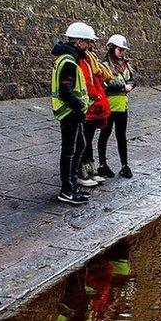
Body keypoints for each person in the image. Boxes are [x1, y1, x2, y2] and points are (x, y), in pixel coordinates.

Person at [50, 22, 95, 205]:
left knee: (79, 146)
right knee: (69, 151)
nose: (90, 46)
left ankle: (71, 185)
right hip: (69, 113)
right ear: (78, 42)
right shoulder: (69, 62)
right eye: (88, 42)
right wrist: (79, 107)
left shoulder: (68, 58)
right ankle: (66, 190)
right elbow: (65, 91)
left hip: (71, 112)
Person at [99, 34, 136, 179]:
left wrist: (130, 86)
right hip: (108, 107)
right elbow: (104, 85)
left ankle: (124, 165)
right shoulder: (104, 65)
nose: (122, 52)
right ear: (112, 48)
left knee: (121, 136)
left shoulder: (125, 65)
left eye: (123, 50)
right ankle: (102, 165)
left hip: (122, 107)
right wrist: (122, 87)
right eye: (120, 49)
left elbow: (133, 80)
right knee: (105, 135)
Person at [78, 47, 112, 187]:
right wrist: (96, 97)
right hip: (90, 106)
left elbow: (102, 78)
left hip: (95, 106)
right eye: (89, 41)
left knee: (89, 139)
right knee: (83, 140)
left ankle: (90, 166)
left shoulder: (91, 60)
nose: (91, 45)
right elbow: (87, 83)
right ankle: (82, 169)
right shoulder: (82, 61)